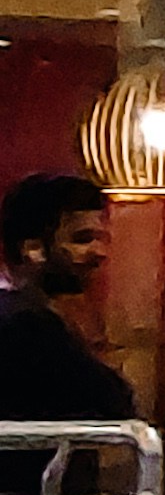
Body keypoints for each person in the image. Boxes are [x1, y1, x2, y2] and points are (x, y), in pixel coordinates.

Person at [0, 166, 131, 453]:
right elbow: (112, 403)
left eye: (102, 239)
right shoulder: (26, 325)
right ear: (33, 249)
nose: (100, 252)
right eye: (82, 239)